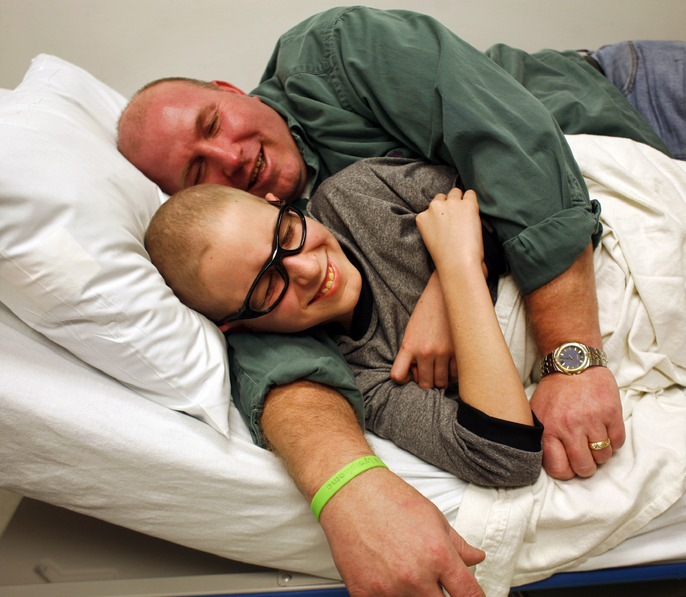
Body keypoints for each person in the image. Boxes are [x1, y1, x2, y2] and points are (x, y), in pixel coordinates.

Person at [117, 6, 686, 597]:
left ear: (227, 88)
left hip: (645, 104)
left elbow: (507, 154)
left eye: (213, 126)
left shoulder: (330, 68)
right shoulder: (277, 260)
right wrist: (348, 488)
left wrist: (535, 340)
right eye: (197, 171)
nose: (230, 159)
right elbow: (286, 368)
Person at [145, 159, 547, 488]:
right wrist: (459, 268)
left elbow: (520, 184)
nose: (307, 268)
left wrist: (442, 288)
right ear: (242, 328)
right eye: (267, 286)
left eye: (286, 234)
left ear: (277, 203)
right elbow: (506, 457)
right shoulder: (364, 376)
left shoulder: (356, 193)